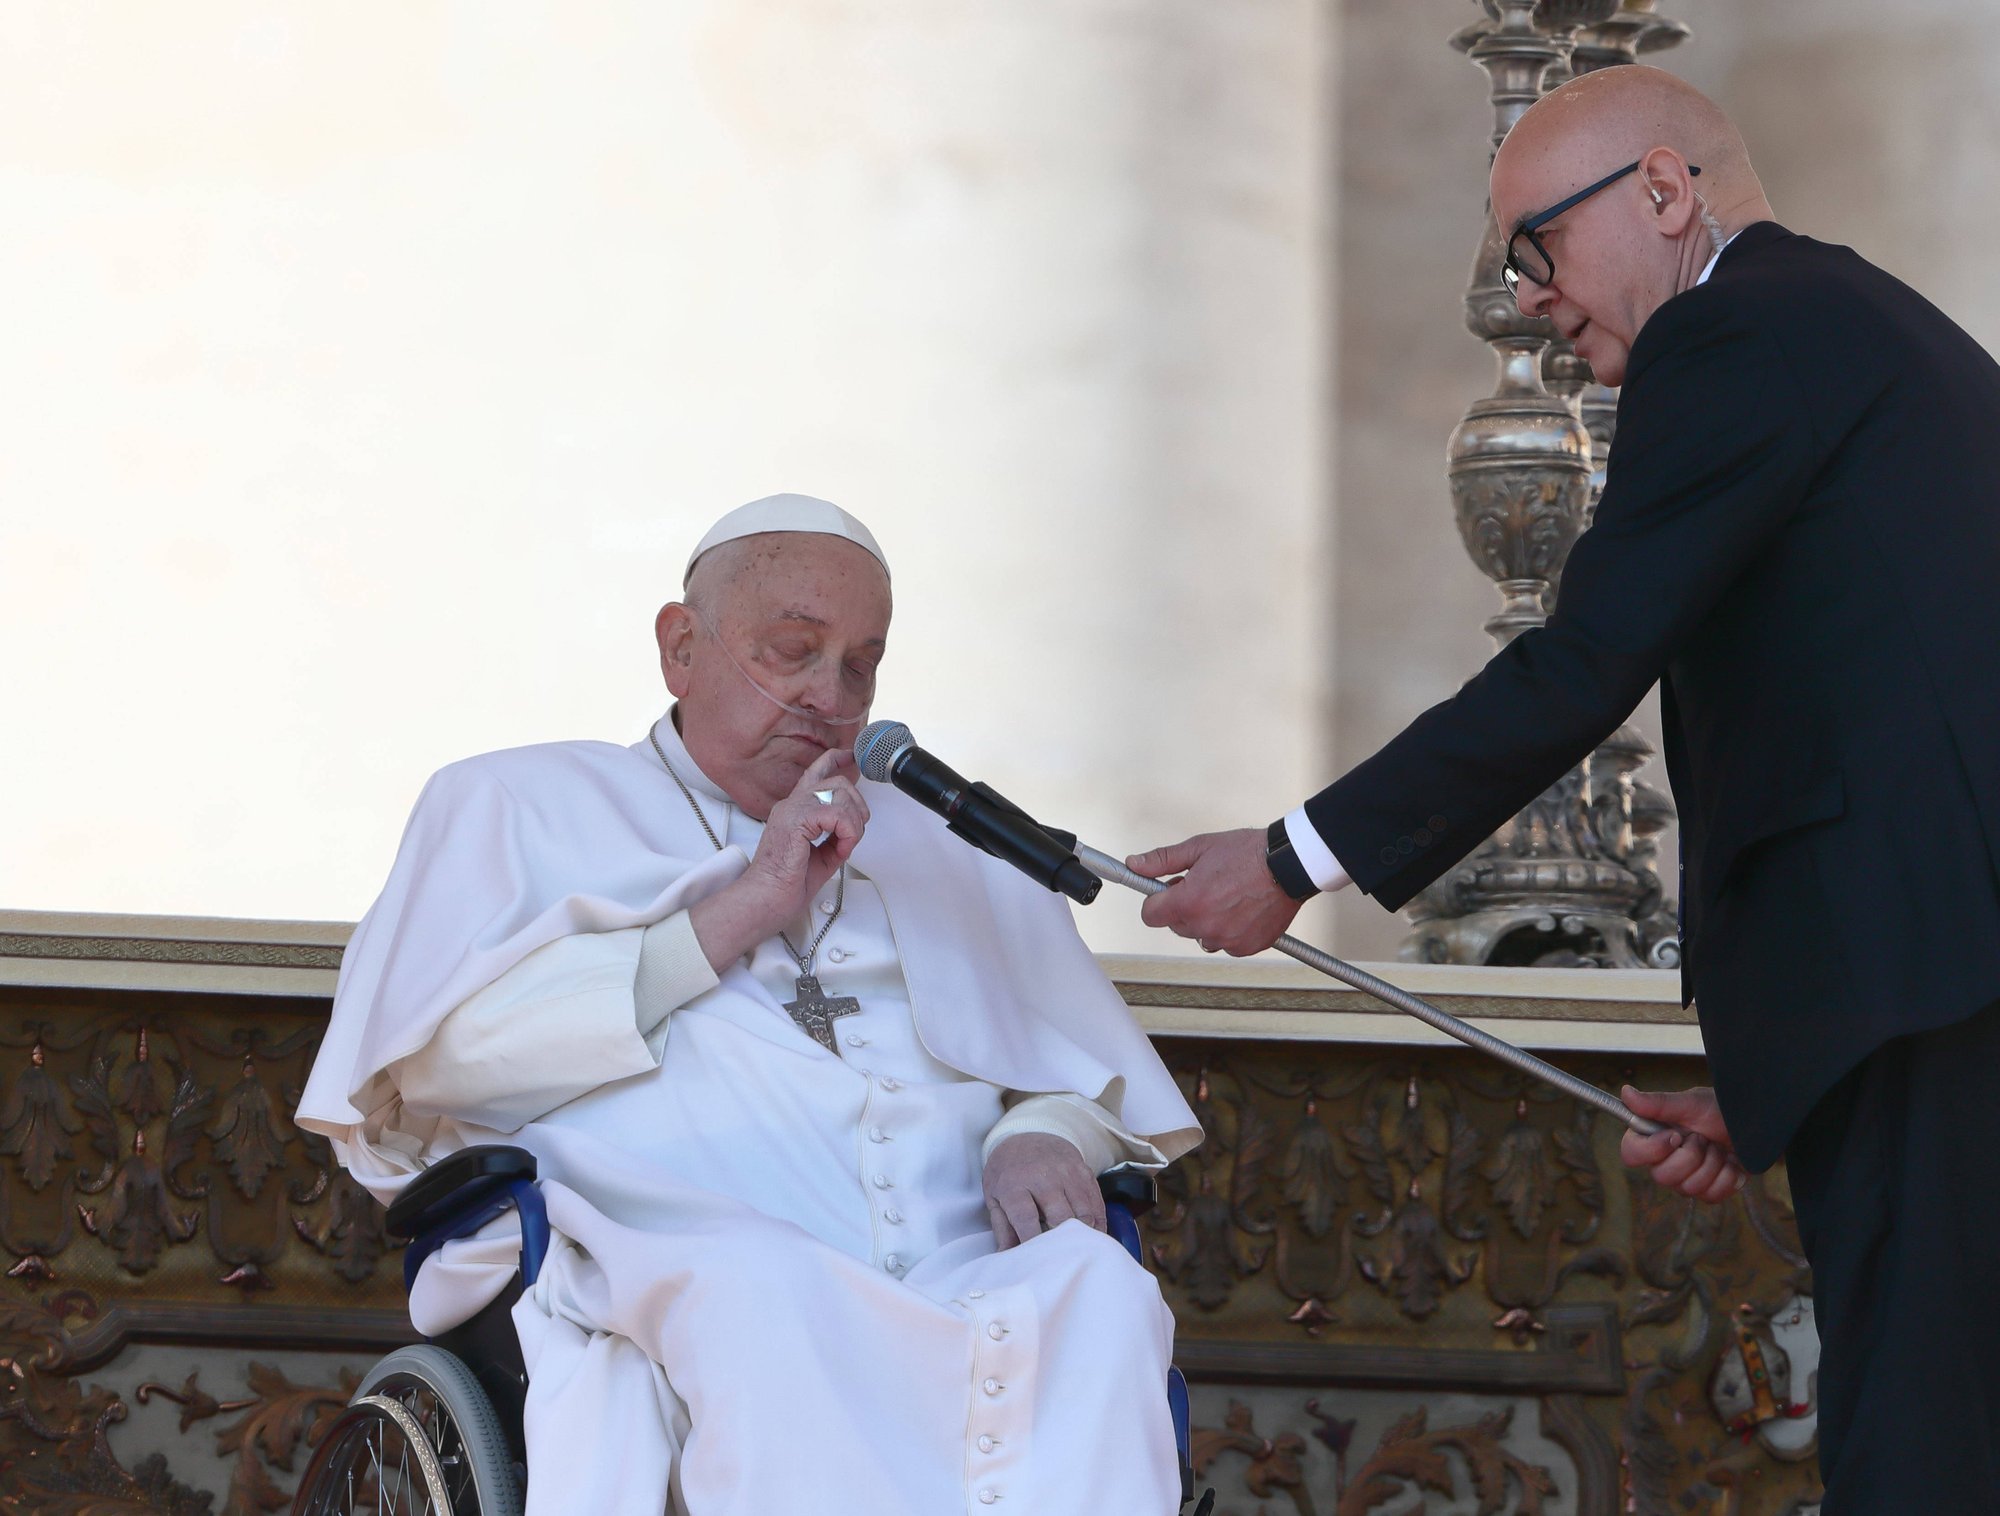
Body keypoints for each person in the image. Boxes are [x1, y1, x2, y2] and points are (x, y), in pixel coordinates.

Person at [1129, 66, 2000, 1513]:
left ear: (1665, 193)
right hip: (1929, 988)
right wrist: (1786, 1053)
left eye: (1536, 248)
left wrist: (1292, 858)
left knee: (1922, 1451)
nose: (1527, 298)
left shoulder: (1733, 333)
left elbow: (1579, 665)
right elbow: (1877, 722)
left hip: (1937, 990)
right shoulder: (1845, 325)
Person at [297, 494, 1201, 1516]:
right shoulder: (513, 804)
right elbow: (437, 1068)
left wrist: (1043, 1129)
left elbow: (1079, 1075)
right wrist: (740, 911)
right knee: (762, 1293)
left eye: (859, 663)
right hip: (672, 1245)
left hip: (957, 1263)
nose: (830, 694)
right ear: (680, 646)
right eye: (792, 650)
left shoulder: (942, 841)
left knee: (1098, 1293)